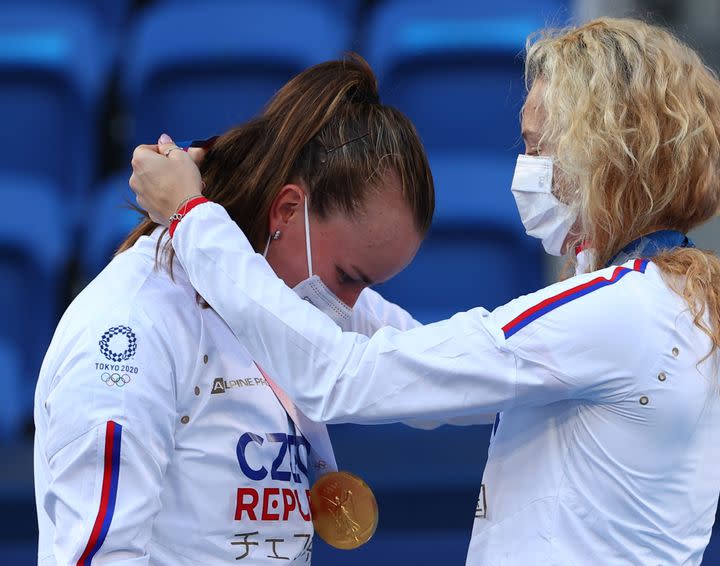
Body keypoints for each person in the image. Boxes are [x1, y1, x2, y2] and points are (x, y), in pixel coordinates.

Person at [130, 18, 720, 565]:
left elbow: (341, 378)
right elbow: (431, 374)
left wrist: (193, 217)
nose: (527, 167)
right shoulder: (668, 307)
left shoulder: (616, 312)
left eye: (539, 148)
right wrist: (325, 290)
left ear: (607, 155)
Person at [34, 55, 435, 565]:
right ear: (288, 212)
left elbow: (441, 368)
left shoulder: (293, 296)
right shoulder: (134, 324)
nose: (351, 309)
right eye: (350, 278)